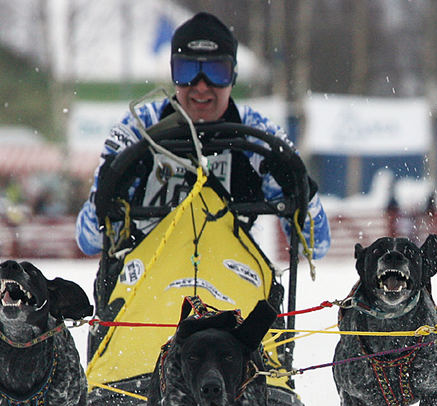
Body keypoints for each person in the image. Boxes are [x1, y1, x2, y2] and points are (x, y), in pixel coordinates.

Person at [75, 11, 330, 264]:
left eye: (216, 71)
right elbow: (89, 241)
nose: (200, 86)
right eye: (188, 70)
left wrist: (300, 187)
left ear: (233, 76)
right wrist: (112, 188)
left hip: (232, 279)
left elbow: (315, 246)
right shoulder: (139, 127)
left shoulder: (259, 135)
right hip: (148, 277)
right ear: (173, 73)